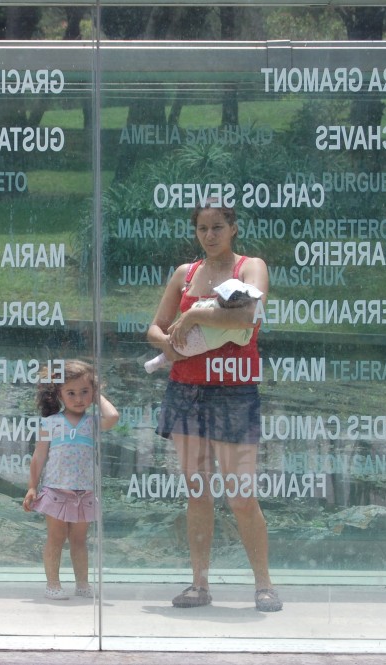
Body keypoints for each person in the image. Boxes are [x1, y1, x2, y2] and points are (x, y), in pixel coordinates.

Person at [147, 203, 283, 612]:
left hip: (234, 392)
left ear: (233, 229)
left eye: (218, 227)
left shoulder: (250, 267)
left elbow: (248, 314)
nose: (210, 235)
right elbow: (154, 328)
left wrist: (191, 314)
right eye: (203, 228)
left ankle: (264, 584)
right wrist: (172, 345)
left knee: (240, 495)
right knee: (198, 492)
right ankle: (199, 585)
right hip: (186, 391)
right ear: (196, 233)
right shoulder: (184, 274)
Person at [23, 360, 119, 600]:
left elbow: (113, 416)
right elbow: (39, 456)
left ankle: (82, 584)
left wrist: (97, 395)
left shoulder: (93, 423)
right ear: (59, 394)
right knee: (56, 538)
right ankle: (52, 584)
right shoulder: (50, 423)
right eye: (71, 393)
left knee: (79, 540)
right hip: (56, 492)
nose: (79, 398)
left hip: (84, 494)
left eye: (85, 392)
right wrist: (32, 487)